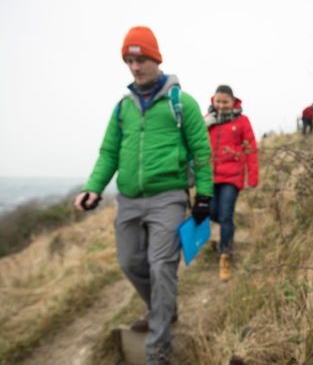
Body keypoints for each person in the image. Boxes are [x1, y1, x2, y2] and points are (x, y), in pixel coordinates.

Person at [73, 26, 213, 365]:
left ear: (156, 58)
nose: (136, 67)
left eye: (141, 59)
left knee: (161, 266)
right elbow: (108, 152)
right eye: (130, 61)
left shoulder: (183, 103)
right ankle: (164, 308)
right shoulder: (123, 109)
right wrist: (93, 188)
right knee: (129, 262)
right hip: (129, 199)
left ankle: (157, 349)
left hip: (169, 197)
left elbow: (202, 151)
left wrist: (204, 196)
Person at [205, 85, 258, 281]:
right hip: (209, 176)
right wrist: (205, 124)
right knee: (211, 212)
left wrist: (252, 177)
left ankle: (225, 254)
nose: (221, 105)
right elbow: (197, 143)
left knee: (225, 215)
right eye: (218, 101)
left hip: (232, 177)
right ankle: (225, 235)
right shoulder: (208, 120)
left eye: (225, 102)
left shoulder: (242, 121)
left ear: (233, 102)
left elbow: (251, 148)